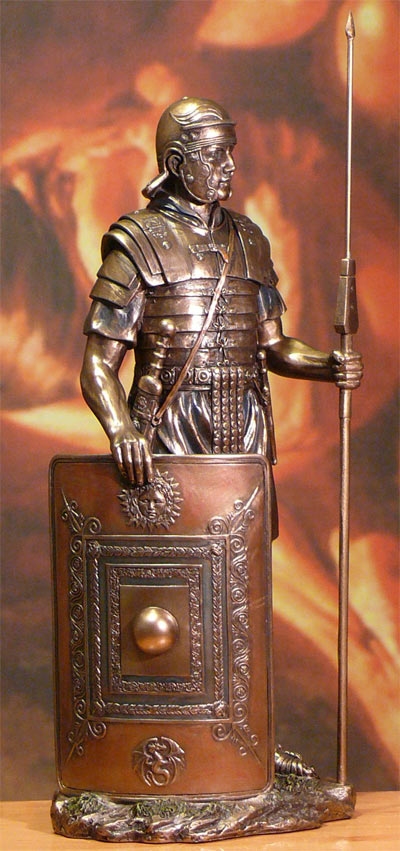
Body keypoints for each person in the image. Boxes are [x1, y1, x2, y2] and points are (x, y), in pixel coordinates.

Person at [81, 96, 362, 490]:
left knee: (248, 529)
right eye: (214, 155)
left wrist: (327, 365)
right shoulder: (138, 243)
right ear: (176, 164)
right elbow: (98, 364)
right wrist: (121, 429)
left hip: (246, 423)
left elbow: (274, 345)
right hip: (172, 426)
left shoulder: (249, 239)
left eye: (230, 152)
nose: (230, 165)